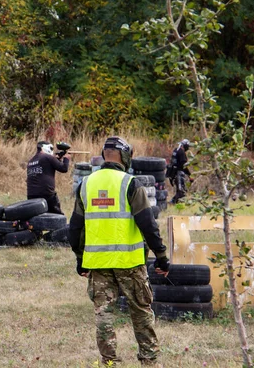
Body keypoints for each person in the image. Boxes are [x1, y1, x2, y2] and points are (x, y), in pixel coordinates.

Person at [68, 136, 170, 367]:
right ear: (126, 156)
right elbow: (148, 225)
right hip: (130, 263)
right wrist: (161, 256)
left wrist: (80, 258)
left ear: (104, 155)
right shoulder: (130, 183)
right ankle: (150, 361)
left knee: (104, 315)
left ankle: (109, 362)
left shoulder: (86, 185)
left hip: (97, 264)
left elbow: (75, 228)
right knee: (141, 313)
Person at [26, 140, 70, 214]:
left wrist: (57, 159)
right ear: (44, 148)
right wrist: (66, 159)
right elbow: (64, 168)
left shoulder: (31, 161)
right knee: (57, 217)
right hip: (47, 194)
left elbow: (46, 167)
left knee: (37, 216)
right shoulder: (47, 157)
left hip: (31, 195)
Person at [168, 138, 191, 204]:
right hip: (178, 173)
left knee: (180, 191)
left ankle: (176, 203)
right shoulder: (181, 152)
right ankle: (172, 202)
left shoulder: (176, 150)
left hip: (174, 173)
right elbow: (184, 165)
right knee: (181, 191)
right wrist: (190, 175)